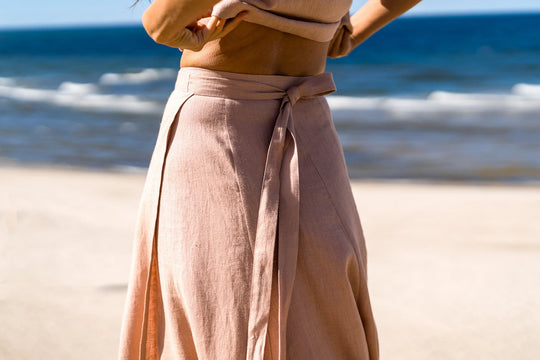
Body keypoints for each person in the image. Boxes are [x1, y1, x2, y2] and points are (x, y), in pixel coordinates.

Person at [119, 0, 421, 359]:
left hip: (225, 117)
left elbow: (162, 24)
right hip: (291, 123)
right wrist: (339, 33)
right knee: (317, 294)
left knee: (223, 299)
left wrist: (187, 34)